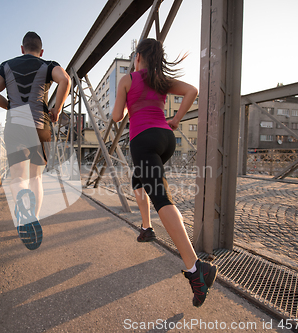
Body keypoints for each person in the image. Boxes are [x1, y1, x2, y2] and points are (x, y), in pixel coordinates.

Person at [111, 38, 217, 307]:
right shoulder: (160, 79)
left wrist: (128, 104)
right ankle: (147, 228)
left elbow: (114, 116)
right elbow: (192, 90)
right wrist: (177, 118)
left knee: (162, 198)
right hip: (165, 139)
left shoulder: (128, 79)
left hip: (143, 140)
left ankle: (196, 269)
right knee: (140, 180)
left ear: (137, 57)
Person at [0, 31, 71, 250]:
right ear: (41, 51)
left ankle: (23, 213)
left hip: (16, 124)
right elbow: (65, 80)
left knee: (18, 178)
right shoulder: (48, 64)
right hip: (40, 124)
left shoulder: (5, 65)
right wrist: (57, 109)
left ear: (22, 49)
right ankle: (33, 217)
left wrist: (10, 106)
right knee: (36, 179)